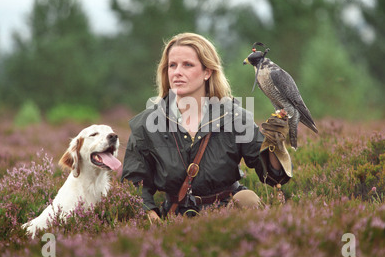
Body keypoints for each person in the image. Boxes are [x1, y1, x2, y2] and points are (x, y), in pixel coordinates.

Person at [121, 33, 292, 222]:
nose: (177, 72)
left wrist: (275, 143)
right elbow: (134, 183)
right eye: (172, 65)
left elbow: (274, 177)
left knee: (247, 199)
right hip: (176, 218)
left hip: (229, 215)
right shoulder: (147, 124)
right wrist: (151, 219)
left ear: (207, 72)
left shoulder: (235, 117)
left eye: (187, 65)